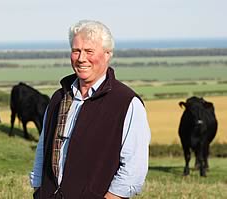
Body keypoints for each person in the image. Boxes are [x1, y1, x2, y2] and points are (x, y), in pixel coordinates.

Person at [30, 20, 151, 199]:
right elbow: (43, 150)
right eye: (76, 51)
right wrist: (39, 189)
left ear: (107, 54)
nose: (81, 58)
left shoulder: (126, 103)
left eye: (89, 51)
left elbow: (134, 169)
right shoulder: (58, 98)